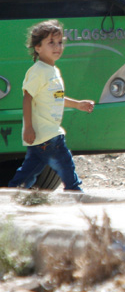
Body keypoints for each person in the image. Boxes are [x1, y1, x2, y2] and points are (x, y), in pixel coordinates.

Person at [7, 20, 94, 191]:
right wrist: (28, 128)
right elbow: (27, 99)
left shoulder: (53, 71)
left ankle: (11, 194)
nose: (57, 47)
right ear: (38, 48)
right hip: (47, 134)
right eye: (51, 43)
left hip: (44, 135)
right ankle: (74, 190)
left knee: (29, 171)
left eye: (60, 42)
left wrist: (77, 105)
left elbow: (56, 98)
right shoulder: (38, 71)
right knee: (65, 162)